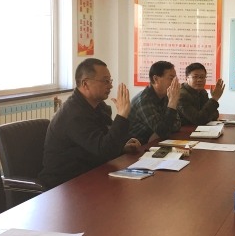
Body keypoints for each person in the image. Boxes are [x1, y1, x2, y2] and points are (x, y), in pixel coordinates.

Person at [38, 58, 141, 189]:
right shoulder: (74, 115)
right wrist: (122, 114)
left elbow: (104, 142)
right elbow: (106, 151)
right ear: (85, 83)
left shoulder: (97, 106)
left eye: (110, 81)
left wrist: (122, 147)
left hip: (89, 174)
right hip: (64, 185)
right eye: (105, 81)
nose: (110, 86)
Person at [128, 61, 181, 144]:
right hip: (135, 146)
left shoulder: (166, 96)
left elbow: (177, 124)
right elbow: (163, 132)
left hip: (152, 142)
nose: (175, 83)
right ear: (156, 79)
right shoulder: (144, 100)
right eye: (171, 78)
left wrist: (163, 128)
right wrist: (172, 103)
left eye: (175, 79)